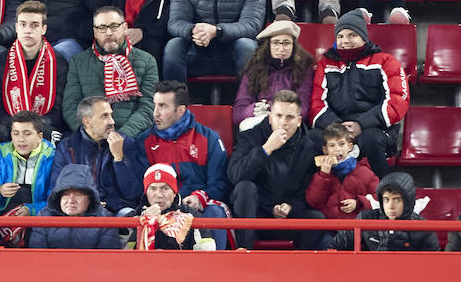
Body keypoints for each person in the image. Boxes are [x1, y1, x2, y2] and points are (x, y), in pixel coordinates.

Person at [310, 9, 409, 177]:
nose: (345, 41)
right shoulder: (326, 64)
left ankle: (383, 193)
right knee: (311, 139)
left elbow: (398, 100)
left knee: (370, 140)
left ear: (364, 37)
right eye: (340, 37)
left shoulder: (385, 61)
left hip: (375, 129)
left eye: (351, 35)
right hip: (336, 129)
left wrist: (361, 124)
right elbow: (316, 104)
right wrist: (338, 128)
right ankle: (314, 196)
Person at [226, 90, 325, 250]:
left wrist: (290, 206)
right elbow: (235, 176)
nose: (283, 122)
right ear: (270, 117)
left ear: (299, 121)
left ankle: (300, 268)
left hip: (287, 217)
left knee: (317, 218)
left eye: (290, 117)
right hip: (255, 215)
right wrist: (265, 150)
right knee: (245, 187)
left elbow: (308, 192)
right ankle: (243, 255)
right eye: (278, 116)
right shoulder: (250, 137)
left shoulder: (310, 147)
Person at [127, 81, 231, 215]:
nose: (155, 113)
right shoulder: (144, 141)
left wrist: (199, 198)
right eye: (155, 105)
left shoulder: (209, 138)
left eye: (162, 106)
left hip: (196, 208)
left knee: (215, 212)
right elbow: (138, 188)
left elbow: (220, 184)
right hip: (160, 209)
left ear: (180, 110)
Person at [63, 6, 158, 138]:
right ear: (95, 32)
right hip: (91, 137)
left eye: (114, 26)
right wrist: (89, 135)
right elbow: (71, 105)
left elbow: (149, 107)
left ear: (125, 27)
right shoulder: (78, 61)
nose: (108, 33)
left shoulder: (147, 60)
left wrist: (122, 135)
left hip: (133, 137)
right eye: (102, 28)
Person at [0, 2, 69, 141]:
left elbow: (57, 111)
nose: (28, 30)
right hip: (11, 125)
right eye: (23, 24)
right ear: (16, 27)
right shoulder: (1, 62)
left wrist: (31, 128)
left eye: (34, 25)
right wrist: (18, 127)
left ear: (43, 29)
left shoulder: (58, 62)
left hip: (44, 125)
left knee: (46, 133)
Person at [48, 96, 139, 214]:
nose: (112, 121)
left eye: (111, 115)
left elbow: (133, 193)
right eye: (105, 116)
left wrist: (119, 159)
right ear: (87, 122)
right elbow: (57, 191)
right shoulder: (67, 147)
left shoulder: (125, 143)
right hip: (80, 211)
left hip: (117, 210)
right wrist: (90, 203)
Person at [233, 19, 316, 133]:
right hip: (260, 122)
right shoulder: (254, 68)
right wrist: (254, 110)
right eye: (276, 43)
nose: (281, 48)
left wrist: (273, 109)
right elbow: (238, 113)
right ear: (269, 45)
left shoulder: (304, 69)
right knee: (246, 126)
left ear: (294, 45)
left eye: (286, 43)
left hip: (289, 123)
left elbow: (304, 109)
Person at [330, 172, 439, 252]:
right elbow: (335, 247)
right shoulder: (366, 219)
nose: (391, 206)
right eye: (386, 199)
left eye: (397, 200)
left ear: (408, 201)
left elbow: (433, 264)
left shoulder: (424, 228)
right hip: (369, 277)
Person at [0, 111, 57, 218]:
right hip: (3, 211)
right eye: (16, 133)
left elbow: (56, 202)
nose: (21, 139)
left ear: (40, 137)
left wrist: (31, 210)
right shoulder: (2, 155)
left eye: (27, 134)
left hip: (37, 215)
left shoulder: (53, 158)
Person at [27, 163, 122, 250]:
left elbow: (107, 259)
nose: (71, 201)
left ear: (90, 199)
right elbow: (38, 256)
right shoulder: (44, 216)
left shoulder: (105, 219)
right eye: (66, 195)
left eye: (78, 195)